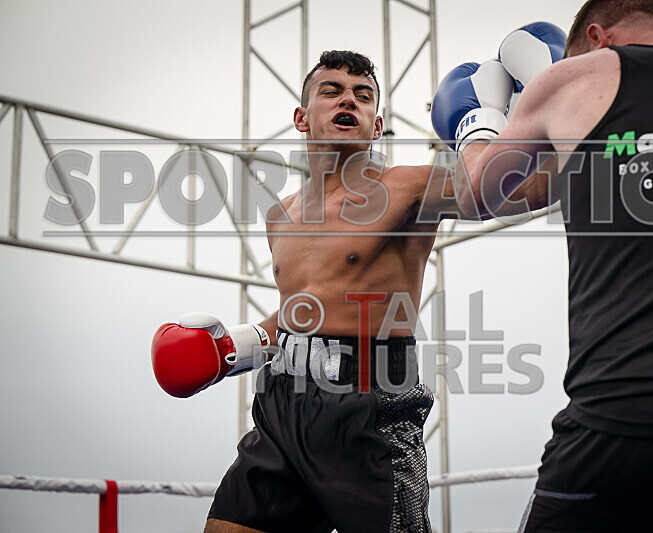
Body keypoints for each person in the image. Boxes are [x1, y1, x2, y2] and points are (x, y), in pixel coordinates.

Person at [150, 48, 555, 533]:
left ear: (376, 125)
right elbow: (302, 310)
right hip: (284, 402)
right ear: (302, 117)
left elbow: (527, 190)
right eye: (333, 91)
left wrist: (551, 124)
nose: (349, 101)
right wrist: (231, 348)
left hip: (371, 408)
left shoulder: (406, 188)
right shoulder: (281, 215)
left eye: (363, 96)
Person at [432, 0, 653, 531]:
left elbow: (474, 195)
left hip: (622, 419)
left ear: (598, 38)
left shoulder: (573, 79)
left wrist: (478, 122)